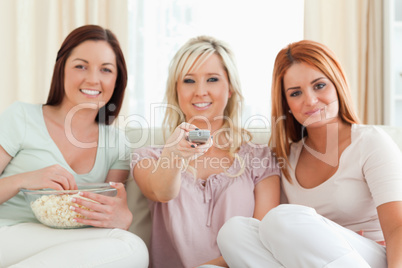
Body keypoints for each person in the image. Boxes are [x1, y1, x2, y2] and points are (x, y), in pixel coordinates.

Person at [217, 39, 402, 267]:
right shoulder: (286, 158)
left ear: (337, 84)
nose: (311, 101)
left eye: (319, 85)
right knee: (234, 232)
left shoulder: (370, 143)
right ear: (286, 103)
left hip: (374, 258)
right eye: (296, 93)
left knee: (280, 219)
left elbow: (398, 228)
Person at [0, 25, 148, 267]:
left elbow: (109, 210)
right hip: (7, 235)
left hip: (65, 246)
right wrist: (23, 180)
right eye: (81, 66)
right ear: (62, 69)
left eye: (106, 70)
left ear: (117, 79)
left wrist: (122, 217)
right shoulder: (21, 117)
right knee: (129, 247)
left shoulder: (117, 144)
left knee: (130, 246)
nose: (93, 79)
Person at [131, 35, 281, 268]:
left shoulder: (260, 158)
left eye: (212, 79)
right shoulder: (148, 158)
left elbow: (261, 241)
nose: (200, 91)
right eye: (189, 81)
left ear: (230, 88)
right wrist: (174, 154)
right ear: (177, 90)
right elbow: (162, 192)